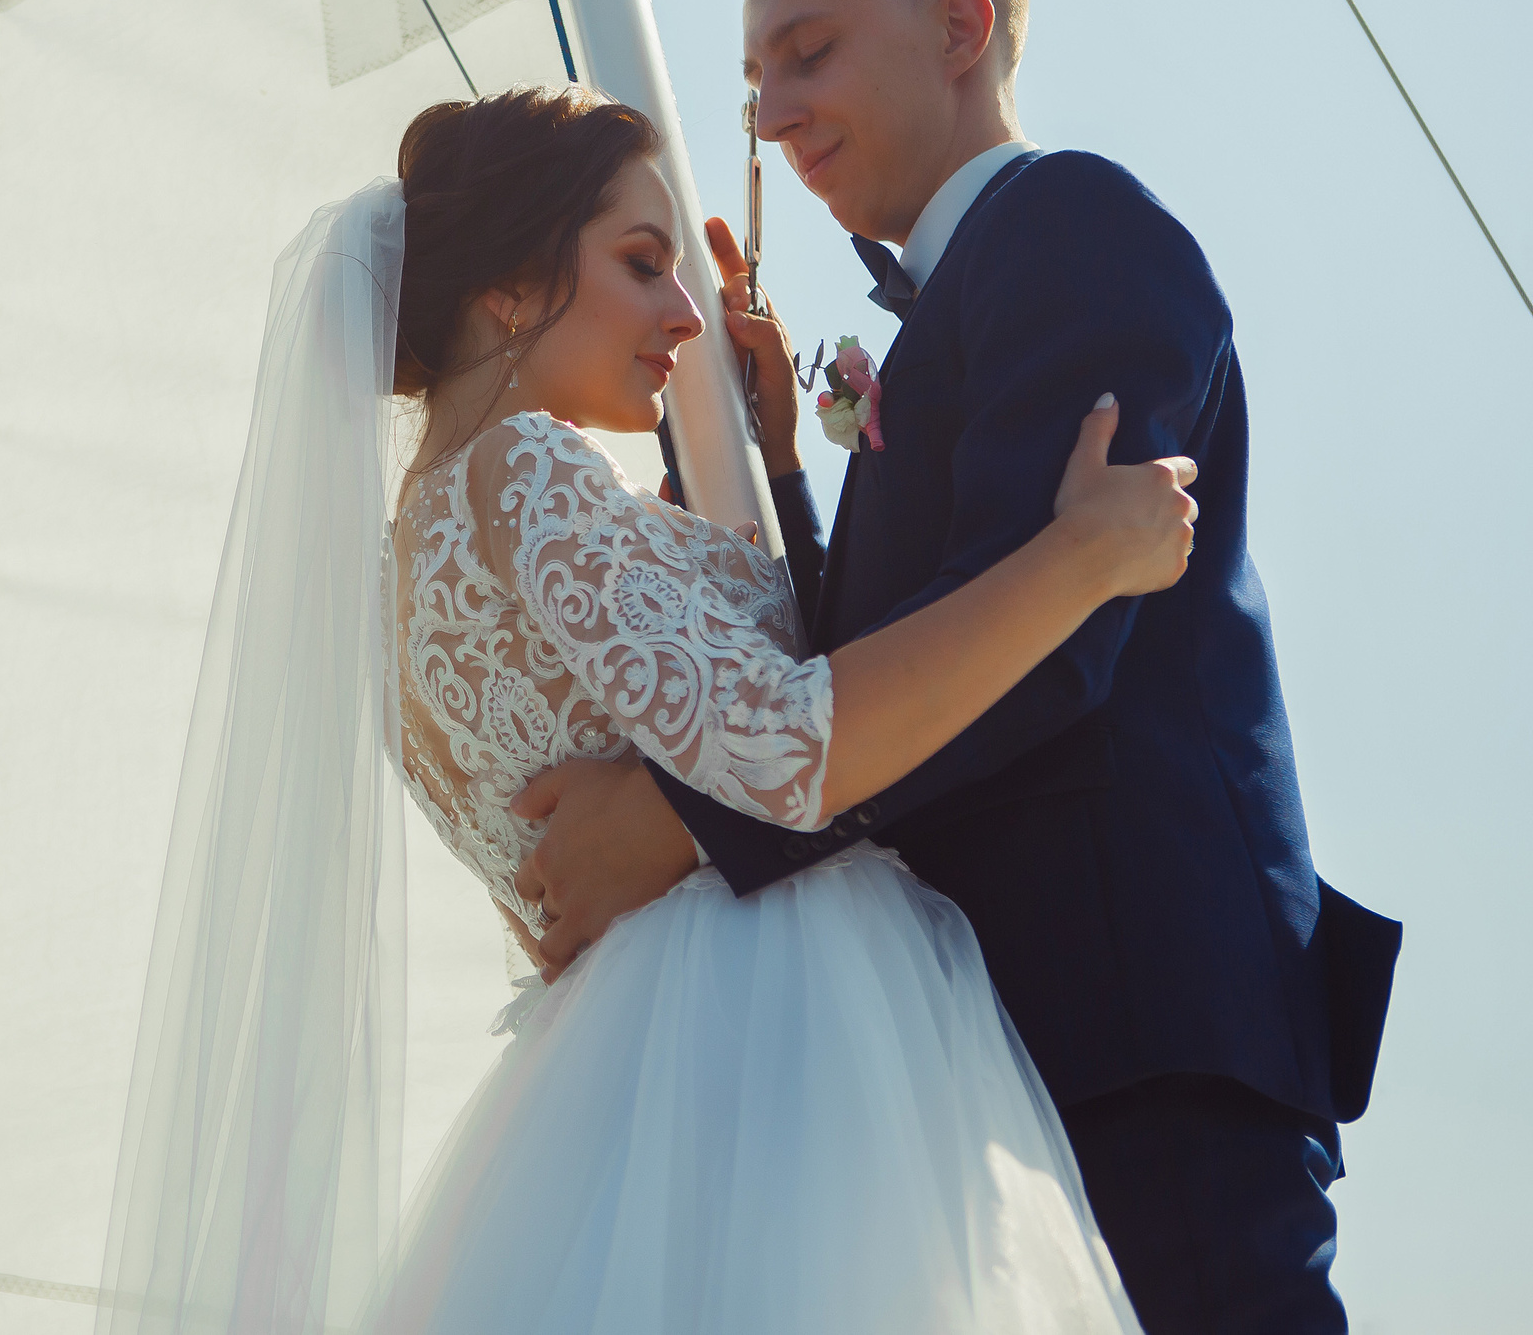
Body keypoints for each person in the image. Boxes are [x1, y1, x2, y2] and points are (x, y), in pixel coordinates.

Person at [96, 85, 1189, 1334]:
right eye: (640, 264)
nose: (684, 313)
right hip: (775, 1031)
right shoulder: (526, 467)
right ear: (507, 287)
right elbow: (786, 746)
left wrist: (775, 460)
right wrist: (1084, 558)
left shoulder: (392, 576)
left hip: (595, 1095)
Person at [514, 0, 1400, 1334]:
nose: (774, 113)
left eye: (809, 52)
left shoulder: (1075, 224)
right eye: (755, 82)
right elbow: (898, 645)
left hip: (1135, 1038)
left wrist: (685, 820)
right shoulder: (962, 297)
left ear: (961, 27)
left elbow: (1043, 640)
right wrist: (778, 472)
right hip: (988, 1058)